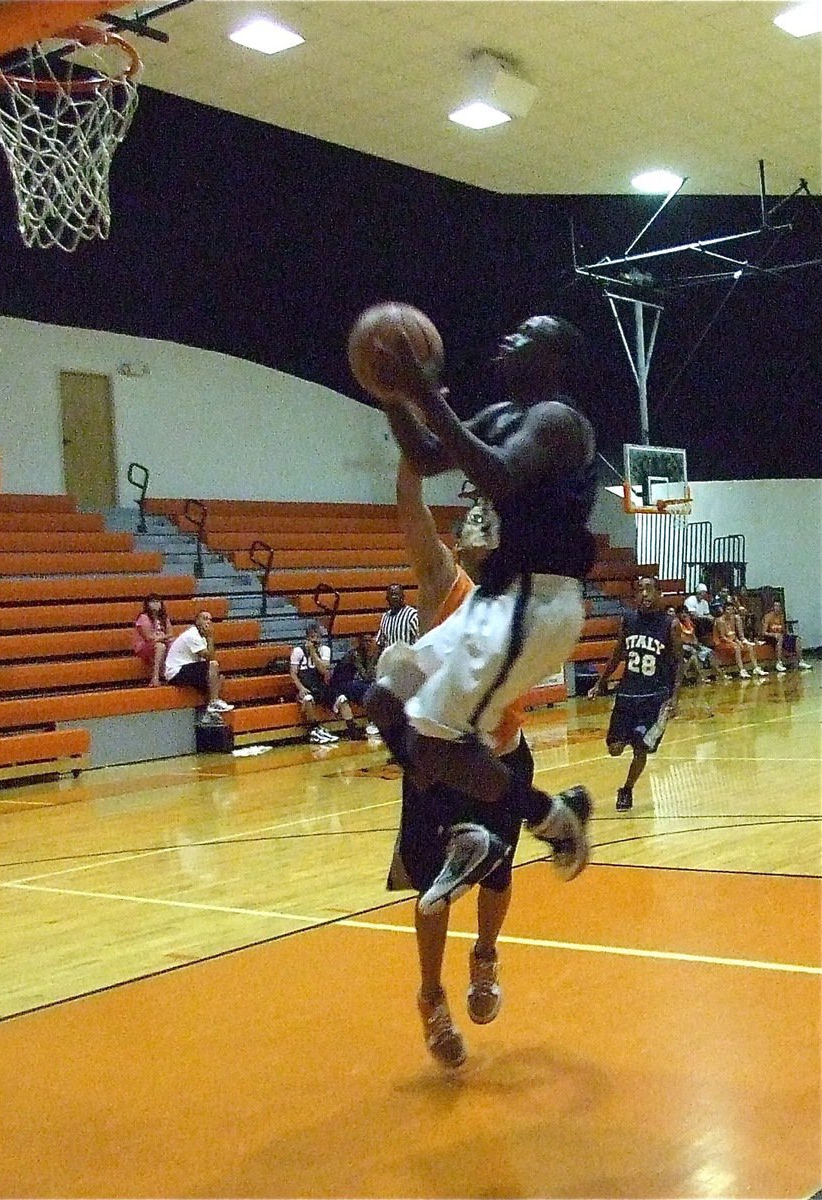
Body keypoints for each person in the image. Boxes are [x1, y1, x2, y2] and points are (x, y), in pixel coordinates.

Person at [363, 313, 596, 907]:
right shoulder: (501, 416)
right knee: (385, 696)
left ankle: (532, 824)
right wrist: (393, 397)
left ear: (555, 361)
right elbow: (423, 457)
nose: (509, 337)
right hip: (497, 599)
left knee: (440, 743)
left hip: (538, 602)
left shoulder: (560, 421)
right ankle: (519, 818)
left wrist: (419, 390)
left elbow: (499, 472)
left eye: (528, 334)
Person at [388, 456, 549, 1068]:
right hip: (442, 766)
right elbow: (410, 512)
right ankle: (430, 995)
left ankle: (485, 956)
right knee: (434, 892)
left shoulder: (523, 595)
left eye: (492, 521)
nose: (483, 528)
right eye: (473, 521)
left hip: (504, 758)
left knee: (499, 871)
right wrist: (411, 455)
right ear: (460, 538)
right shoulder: (442, 581)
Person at [589, 576, 683, 811]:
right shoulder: (629, 620)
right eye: (639, 590)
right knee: (614, 749)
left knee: (641, 749)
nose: (644, 594)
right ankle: (635, 735)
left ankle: (627, 789)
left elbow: (680, 663)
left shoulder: (670, 624)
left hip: (655, 696)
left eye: (649, 589)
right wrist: (601, 682)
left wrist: (675, 697)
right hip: (627, 694)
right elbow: (617, 654)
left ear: (659, 593)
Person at [289, 622, 362, 744]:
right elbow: (293, 673)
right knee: (307, 698)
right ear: (307, 638)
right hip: (305, 686)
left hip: (320, 685)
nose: (316, 640)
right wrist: (300, 688)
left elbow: (323, 670)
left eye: (318, 637)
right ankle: (314, 729)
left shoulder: (325, 650)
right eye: (313, 637)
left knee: (342, 699)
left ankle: (352, 728)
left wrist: (313, 653)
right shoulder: (298, 651)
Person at [164, 611, 234, 715]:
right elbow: (210, 658)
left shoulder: (202, 637)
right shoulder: (192, 635)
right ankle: (214, 702)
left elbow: (208, 659)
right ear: (197, 621)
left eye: (210, 619)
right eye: (205, 618)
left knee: (219, 678)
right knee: (213, 666)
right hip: (176, 672)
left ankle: (209, 710)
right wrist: (210, 637)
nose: (208, 622)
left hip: (189, 668)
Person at [713, 602, 766, 678]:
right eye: (728, 609)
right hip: (721, 643)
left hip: (732, 641)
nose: (730, 612)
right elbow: (722, 637)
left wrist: (738, 641)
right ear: (724, 610)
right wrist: (735, 643)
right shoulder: (720, 621)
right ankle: (742, 670)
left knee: (749, 646)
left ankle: (756, 668)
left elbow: (735, 635)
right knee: (737, 647)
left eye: (731, 610)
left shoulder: (733, 619)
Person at [132, 593, 173, 687]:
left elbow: (170, 633)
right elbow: (148, 637)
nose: (156, 604)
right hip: (144, 646)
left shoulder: (164, 617)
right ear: (147, 604)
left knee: (174, 645)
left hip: (160, 641)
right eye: (152, 602)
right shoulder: (143, 617)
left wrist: (161, 637)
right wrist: (161, 637)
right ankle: (155, 677)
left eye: (158, 602)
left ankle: (171, 674)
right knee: (160, 646)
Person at [677, 606, 726, 683]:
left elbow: (694, 638)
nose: (684, 614)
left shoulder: (690, 623)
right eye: (682, 612)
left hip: (694, 645)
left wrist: (695, 643)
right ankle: (701, 677)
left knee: (710, 652)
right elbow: (680, 640)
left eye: (685, 612)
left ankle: (720, 674)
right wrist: (690, 643)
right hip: (683, 646)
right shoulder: (676, 625)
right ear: (678, 614)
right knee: (694, 655)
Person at [761, 600, 811, 672]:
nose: (777, 608)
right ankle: (779, 663)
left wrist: (788, 635)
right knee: (780, 638)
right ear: (773, 607)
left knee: (797, 639)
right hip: (770, 637)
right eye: (775, 606)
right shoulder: (768, 617)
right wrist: (774, 634)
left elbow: (783, 631)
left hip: (780, 636)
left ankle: (801, 661)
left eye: (778, 606)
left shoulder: (781, 616)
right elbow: (764, 633)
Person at [375, 584, 419, 653]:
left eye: (398, 594)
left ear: (403, 597)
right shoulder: (385, 617)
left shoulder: (412, 615)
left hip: (406, 659)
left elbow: (419, 640)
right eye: (392, 594)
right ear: (387, 598)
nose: (395, 597)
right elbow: (380, 643)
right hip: (390, 660)